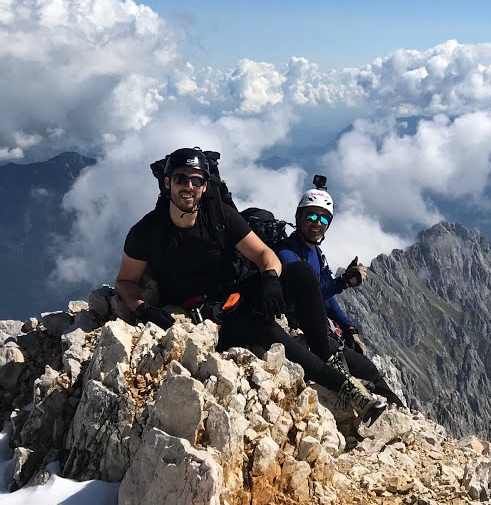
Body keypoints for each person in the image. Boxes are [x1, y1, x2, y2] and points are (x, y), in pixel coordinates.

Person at [114, 146, 387, 425]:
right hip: (203, 316)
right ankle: (349, 390)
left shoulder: (219, 217)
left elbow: (264, 255)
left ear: (205, 186)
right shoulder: (147, 231)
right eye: (182, 178)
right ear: (167, 182)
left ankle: (325, 350)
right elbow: (126, 281)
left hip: (237, 291)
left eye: (197, 181)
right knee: (265, 330)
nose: (189, 186)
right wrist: (142, 308)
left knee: (303, 273)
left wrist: (269, 279)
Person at [276, 185, 406, 409]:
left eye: (324, 218)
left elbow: (325, 296)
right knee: (362, 369)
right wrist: (343, 282)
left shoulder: (315, 252)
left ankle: (400, 412)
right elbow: (307, 297)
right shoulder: (286, 253)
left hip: (314, 326)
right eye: (311, 215)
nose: (317, 223)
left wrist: (349, 328)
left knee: (367, 368)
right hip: (297, 328)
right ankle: (390, 412)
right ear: (298, 217)